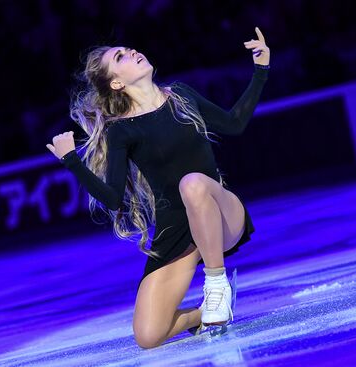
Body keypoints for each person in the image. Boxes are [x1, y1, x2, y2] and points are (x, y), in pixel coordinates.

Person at [46, 26, 270, 349]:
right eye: (120, 57)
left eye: (128, 48)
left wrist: (261, 71)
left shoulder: (181, 95)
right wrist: (72, 161)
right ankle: (205, 312)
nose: (133, 52)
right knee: (148, 335)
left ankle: (216, 283)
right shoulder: (121, 132)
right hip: (176, 233)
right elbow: (113, 199)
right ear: (117, 83)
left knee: (192, 184)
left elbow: (234, 123)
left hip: (221, 215)